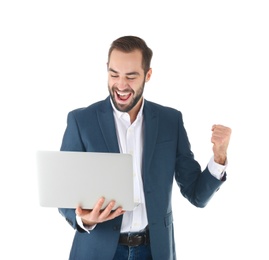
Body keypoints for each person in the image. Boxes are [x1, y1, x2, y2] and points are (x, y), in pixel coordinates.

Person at [58, 35, 231, 260]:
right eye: (114, 74)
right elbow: (63, 193)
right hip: (97, 250)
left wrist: (219, 157)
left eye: (131, 76)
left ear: (147, 75)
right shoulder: (81, 121)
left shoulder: (171, 121)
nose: (120, 85)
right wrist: (86, 219)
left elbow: (196, 194)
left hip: (154, 250)